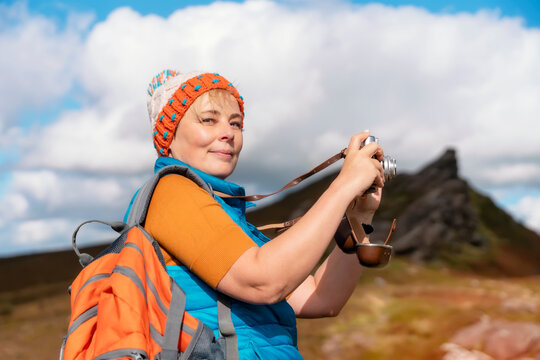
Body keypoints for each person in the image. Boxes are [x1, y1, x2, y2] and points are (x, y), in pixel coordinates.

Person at [136, 70, 385, 359]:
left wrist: (359, 219)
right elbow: (264, 282)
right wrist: (343, 186)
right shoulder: (171, 191)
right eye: (208, 119)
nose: (228, 133)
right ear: (169, 135)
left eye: (236, 123)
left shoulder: (228, 218)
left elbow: (321, 298)